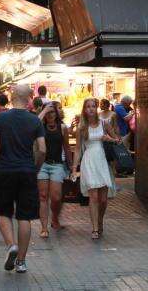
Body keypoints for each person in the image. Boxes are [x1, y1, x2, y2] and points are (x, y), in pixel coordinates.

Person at [0, 83, 45, 274]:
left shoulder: (1, 118)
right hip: (27, 171)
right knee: (25, 216)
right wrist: (34, 168)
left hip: (4, 171)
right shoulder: (35, 120)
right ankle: (21, 261)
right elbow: (42, 149)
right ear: (29, 98)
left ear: (12, 97)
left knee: (4, 212)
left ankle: (11, 245)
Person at [72, 96, 120, 240]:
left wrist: (109, 139)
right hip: (89, 161)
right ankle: (94, 228)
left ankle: (100, 220)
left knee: (103, 200)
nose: (91, 109)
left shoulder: (104, 123)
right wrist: (74, 168)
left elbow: (118, 141)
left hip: (102, 161)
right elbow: (78, 149)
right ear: (84, 110)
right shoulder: (81, 128)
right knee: (93, 197)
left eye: (93, 106)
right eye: (88, 107)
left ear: (96, 108)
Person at [36, 101, 71, 239]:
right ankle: (44, 228)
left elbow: (67, 147)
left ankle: (55, 218)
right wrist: (43, 111)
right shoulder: (40, 126)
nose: (50, 115)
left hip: (57, 164)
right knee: (43, 196)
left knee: (56, 197)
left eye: (52, 112)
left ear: (57, 113)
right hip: (42, 165)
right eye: (48, 112)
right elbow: (33, 124)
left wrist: (71, 166)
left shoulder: (62, 127)